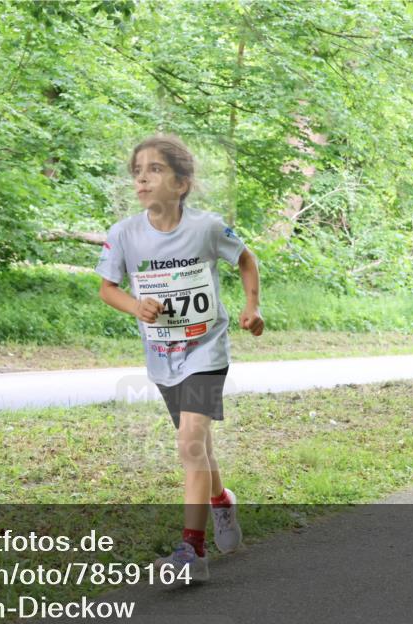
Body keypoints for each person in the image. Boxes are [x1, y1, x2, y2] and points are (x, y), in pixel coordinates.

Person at [96, 134, 264, 583]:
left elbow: (247, 259)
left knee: (189, 441)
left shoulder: (207, 228)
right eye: (137, 172)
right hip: (163, 356)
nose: (142, 180)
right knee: (199, 446)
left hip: (207, 348)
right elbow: (107, 287)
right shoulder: (124, 234)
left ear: (182, 182)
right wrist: (136, 306)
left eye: (154, 170)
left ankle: (192, 551)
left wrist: (252, 307)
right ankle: (222, 501)